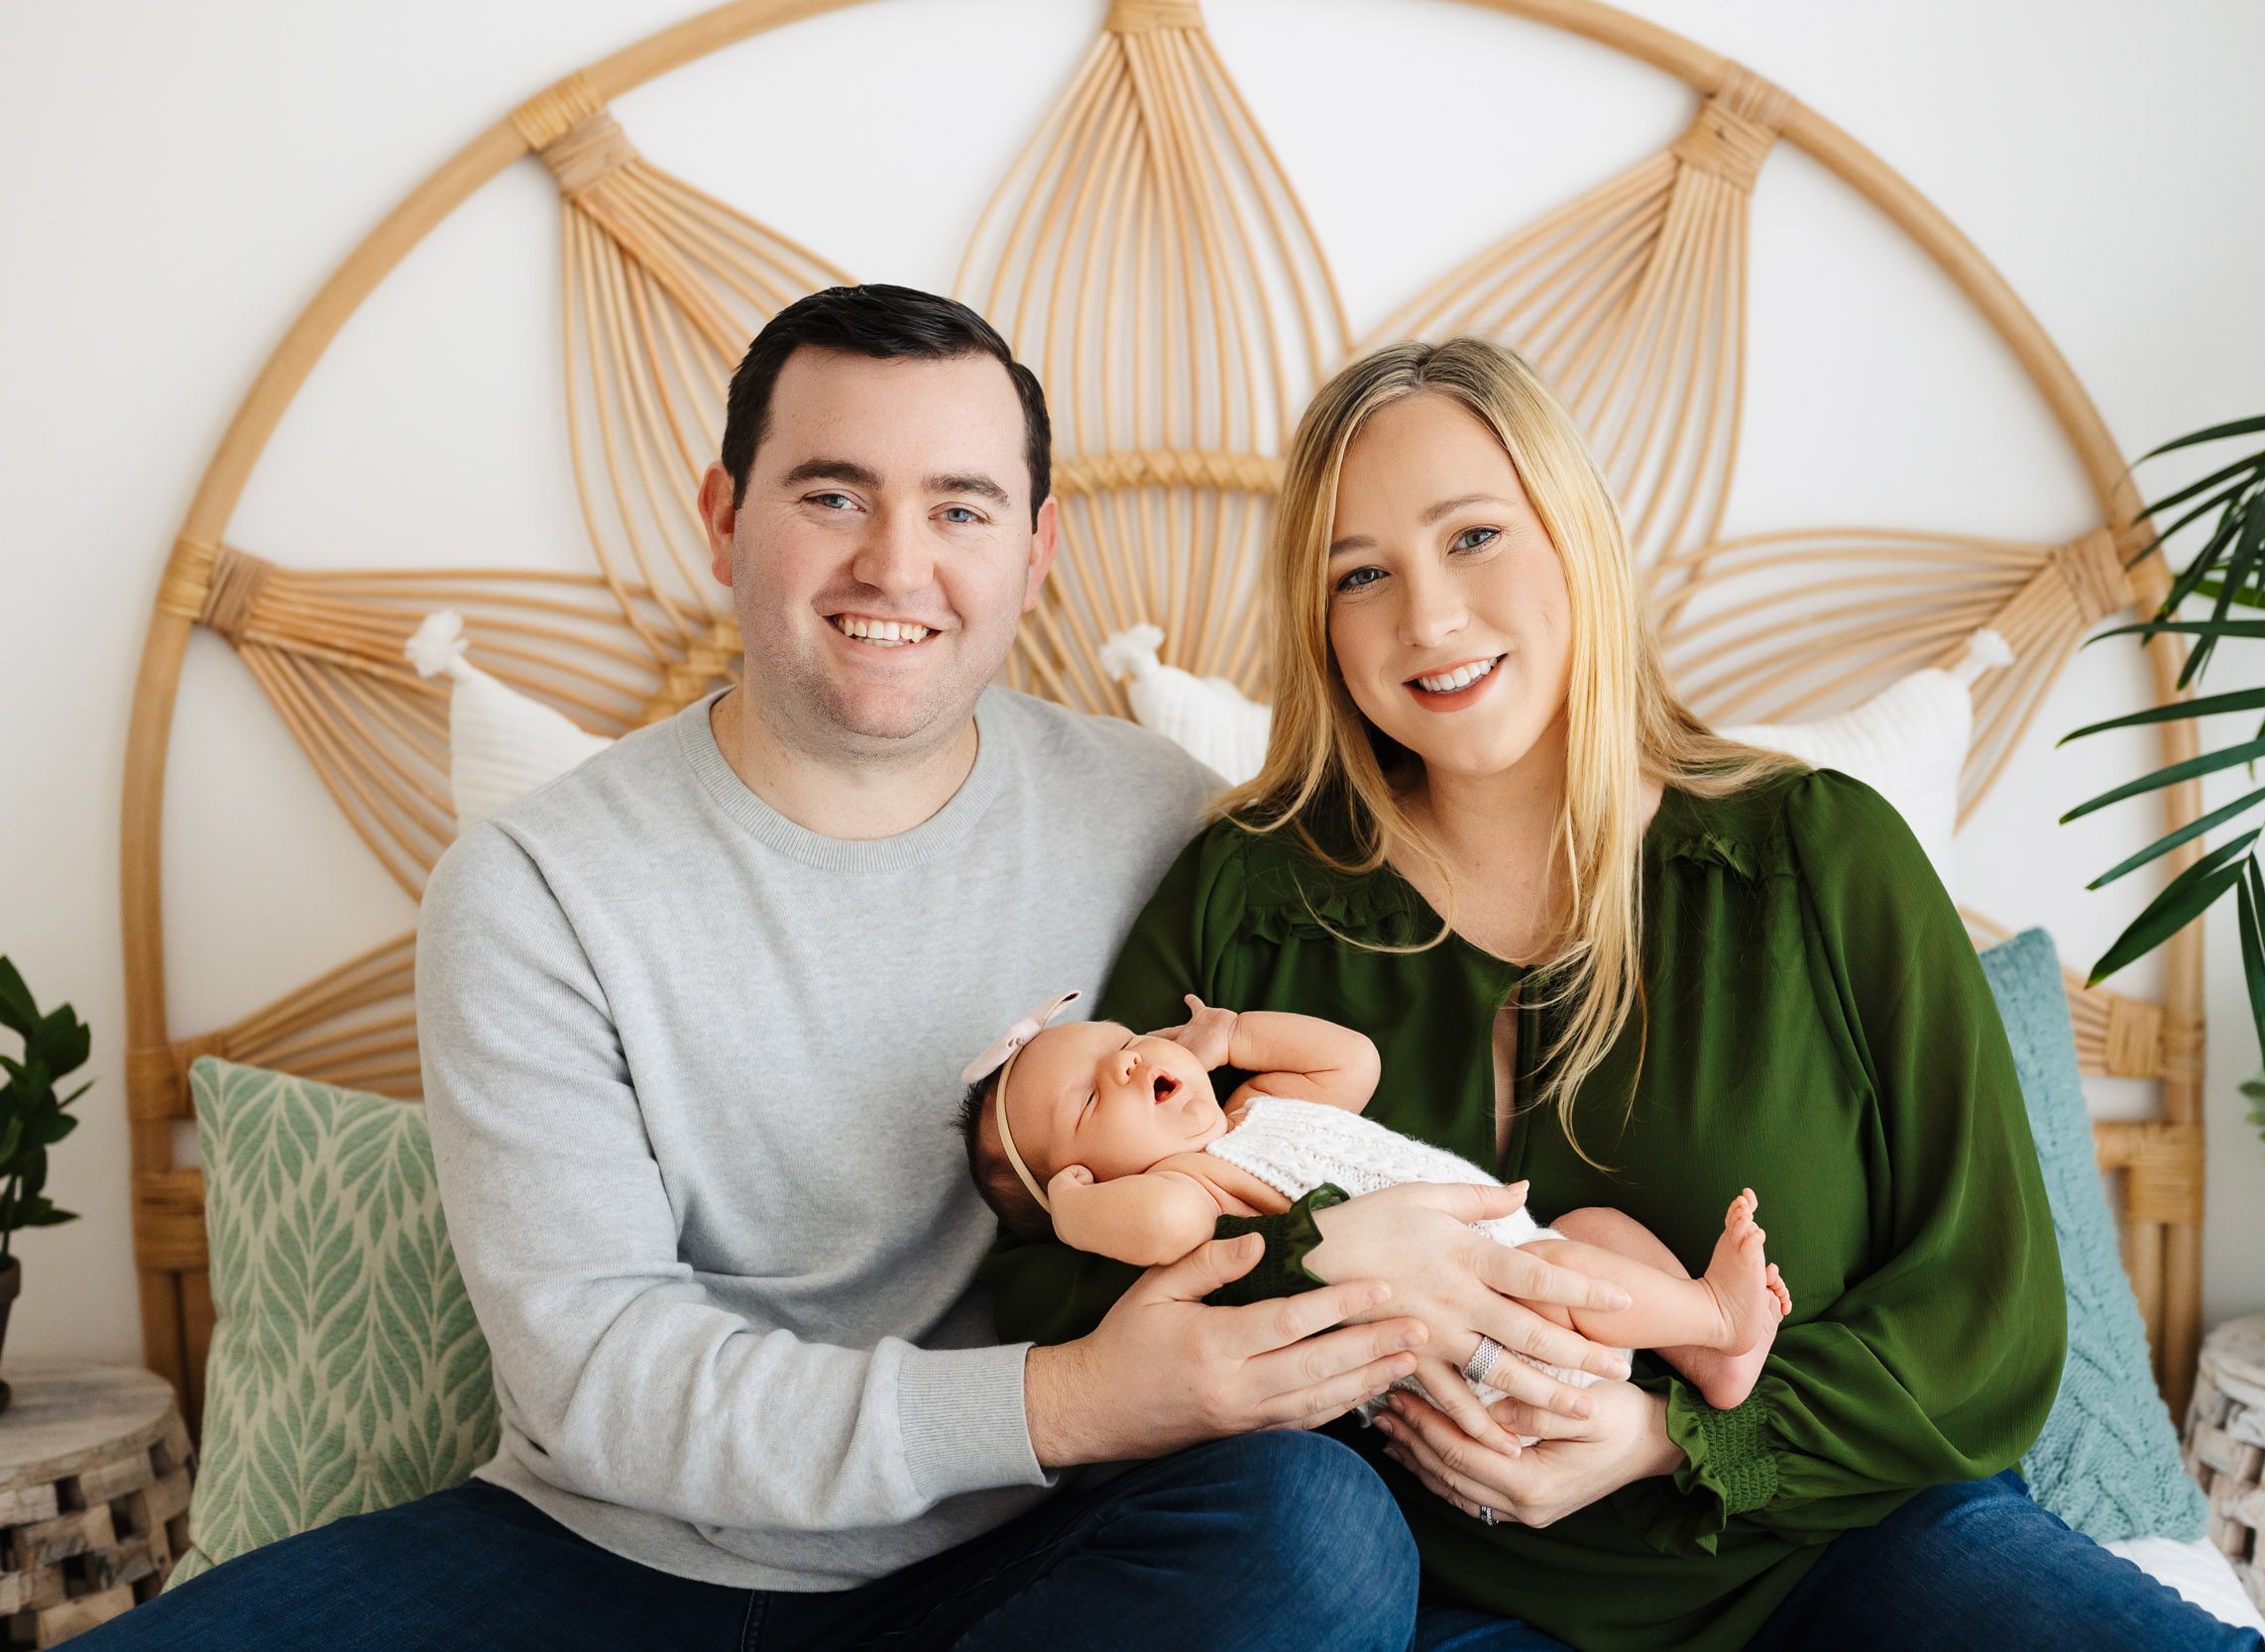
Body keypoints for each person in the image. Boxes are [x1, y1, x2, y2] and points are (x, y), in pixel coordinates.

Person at [91, 287, 1607, 1650]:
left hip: (1047, 1555)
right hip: (619, 1557)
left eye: (961, 506)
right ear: (723, 513)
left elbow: (1357, 1075)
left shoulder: (1160, 817)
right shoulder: (535, 884)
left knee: (1316, 1537)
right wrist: (1070, 1397)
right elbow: (599, 1373)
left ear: (1037, 547)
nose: (897, 562)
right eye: (833, 492)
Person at [984, 336, 2265, 1651]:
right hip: (1446, 1597)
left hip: (1846, 1551)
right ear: (1319, 621)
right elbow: (1060, 1294)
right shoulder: (1252, 893)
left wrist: (1670, 1432)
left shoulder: (1821, 856)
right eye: (1362, 573)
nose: (1428, 617)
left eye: (1476, 536)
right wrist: (1315, 1257)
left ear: (1575, 535)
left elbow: (1989, 1317)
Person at [960, 990, 1788, 1408]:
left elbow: (1350, 1062)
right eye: (1091, 1101)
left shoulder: (1251, 1110)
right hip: (1477, 1335)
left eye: (1120, 1041)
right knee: (1558, 1264)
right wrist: (1076, 1215)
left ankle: (1709, 1355)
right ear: (1087, 1183)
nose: (1129, 1063)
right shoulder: (1190, 1188)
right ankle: (1716, 1313)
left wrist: (1234, 1034)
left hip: (1505, 1245)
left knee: (1589, 1228)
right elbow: (1167, 1224)